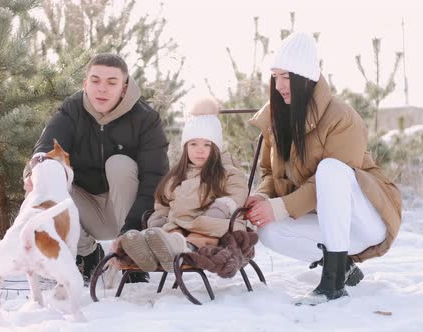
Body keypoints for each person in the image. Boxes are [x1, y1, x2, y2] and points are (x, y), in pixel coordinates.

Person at [245, 32, 402, 304]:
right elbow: (271, 174)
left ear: (305, 77)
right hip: (327, 225)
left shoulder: (342, 117)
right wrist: (261, 198)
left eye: (286, 76)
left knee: (331, 169)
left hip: (365, 220)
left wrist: (281, 206)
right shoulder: (277, 118)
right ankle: (343, 266)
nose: (279, 84)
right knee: (268, 230)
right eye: (275, 76)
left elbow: (334, 181)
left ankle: (333, 283)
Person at [24, 53, 169, 283]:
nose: (102, 89)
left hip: (128, 211)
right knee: (48, 175)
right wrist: (34, 173)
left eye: (111, 82)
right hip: (86, 210)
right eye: (95, 81)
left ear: (124, 87)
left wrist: (130, 233)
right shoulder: (72, 110)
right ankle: (87, 254)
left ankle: (132, 257)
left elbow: (155, 180)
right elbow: (46, 147)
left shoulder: (146, 119)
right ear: (85, 84)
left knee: (119, 164)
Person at [115, 98, 249, 272]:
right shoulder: (177, 176)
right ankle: (150, 250)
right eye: (193, 144)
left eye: (207, 145)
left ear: (216, 148)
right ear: (186, 147)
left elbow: (238, 192)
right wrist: (159, 217)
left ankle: (184, 250)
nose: (199, 150)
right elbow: (164, 201)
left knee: (198, 236)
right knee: (172, 233)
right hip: (180, 224)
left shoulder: (227, 171)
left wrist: (222, 207)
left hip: (213, 224)